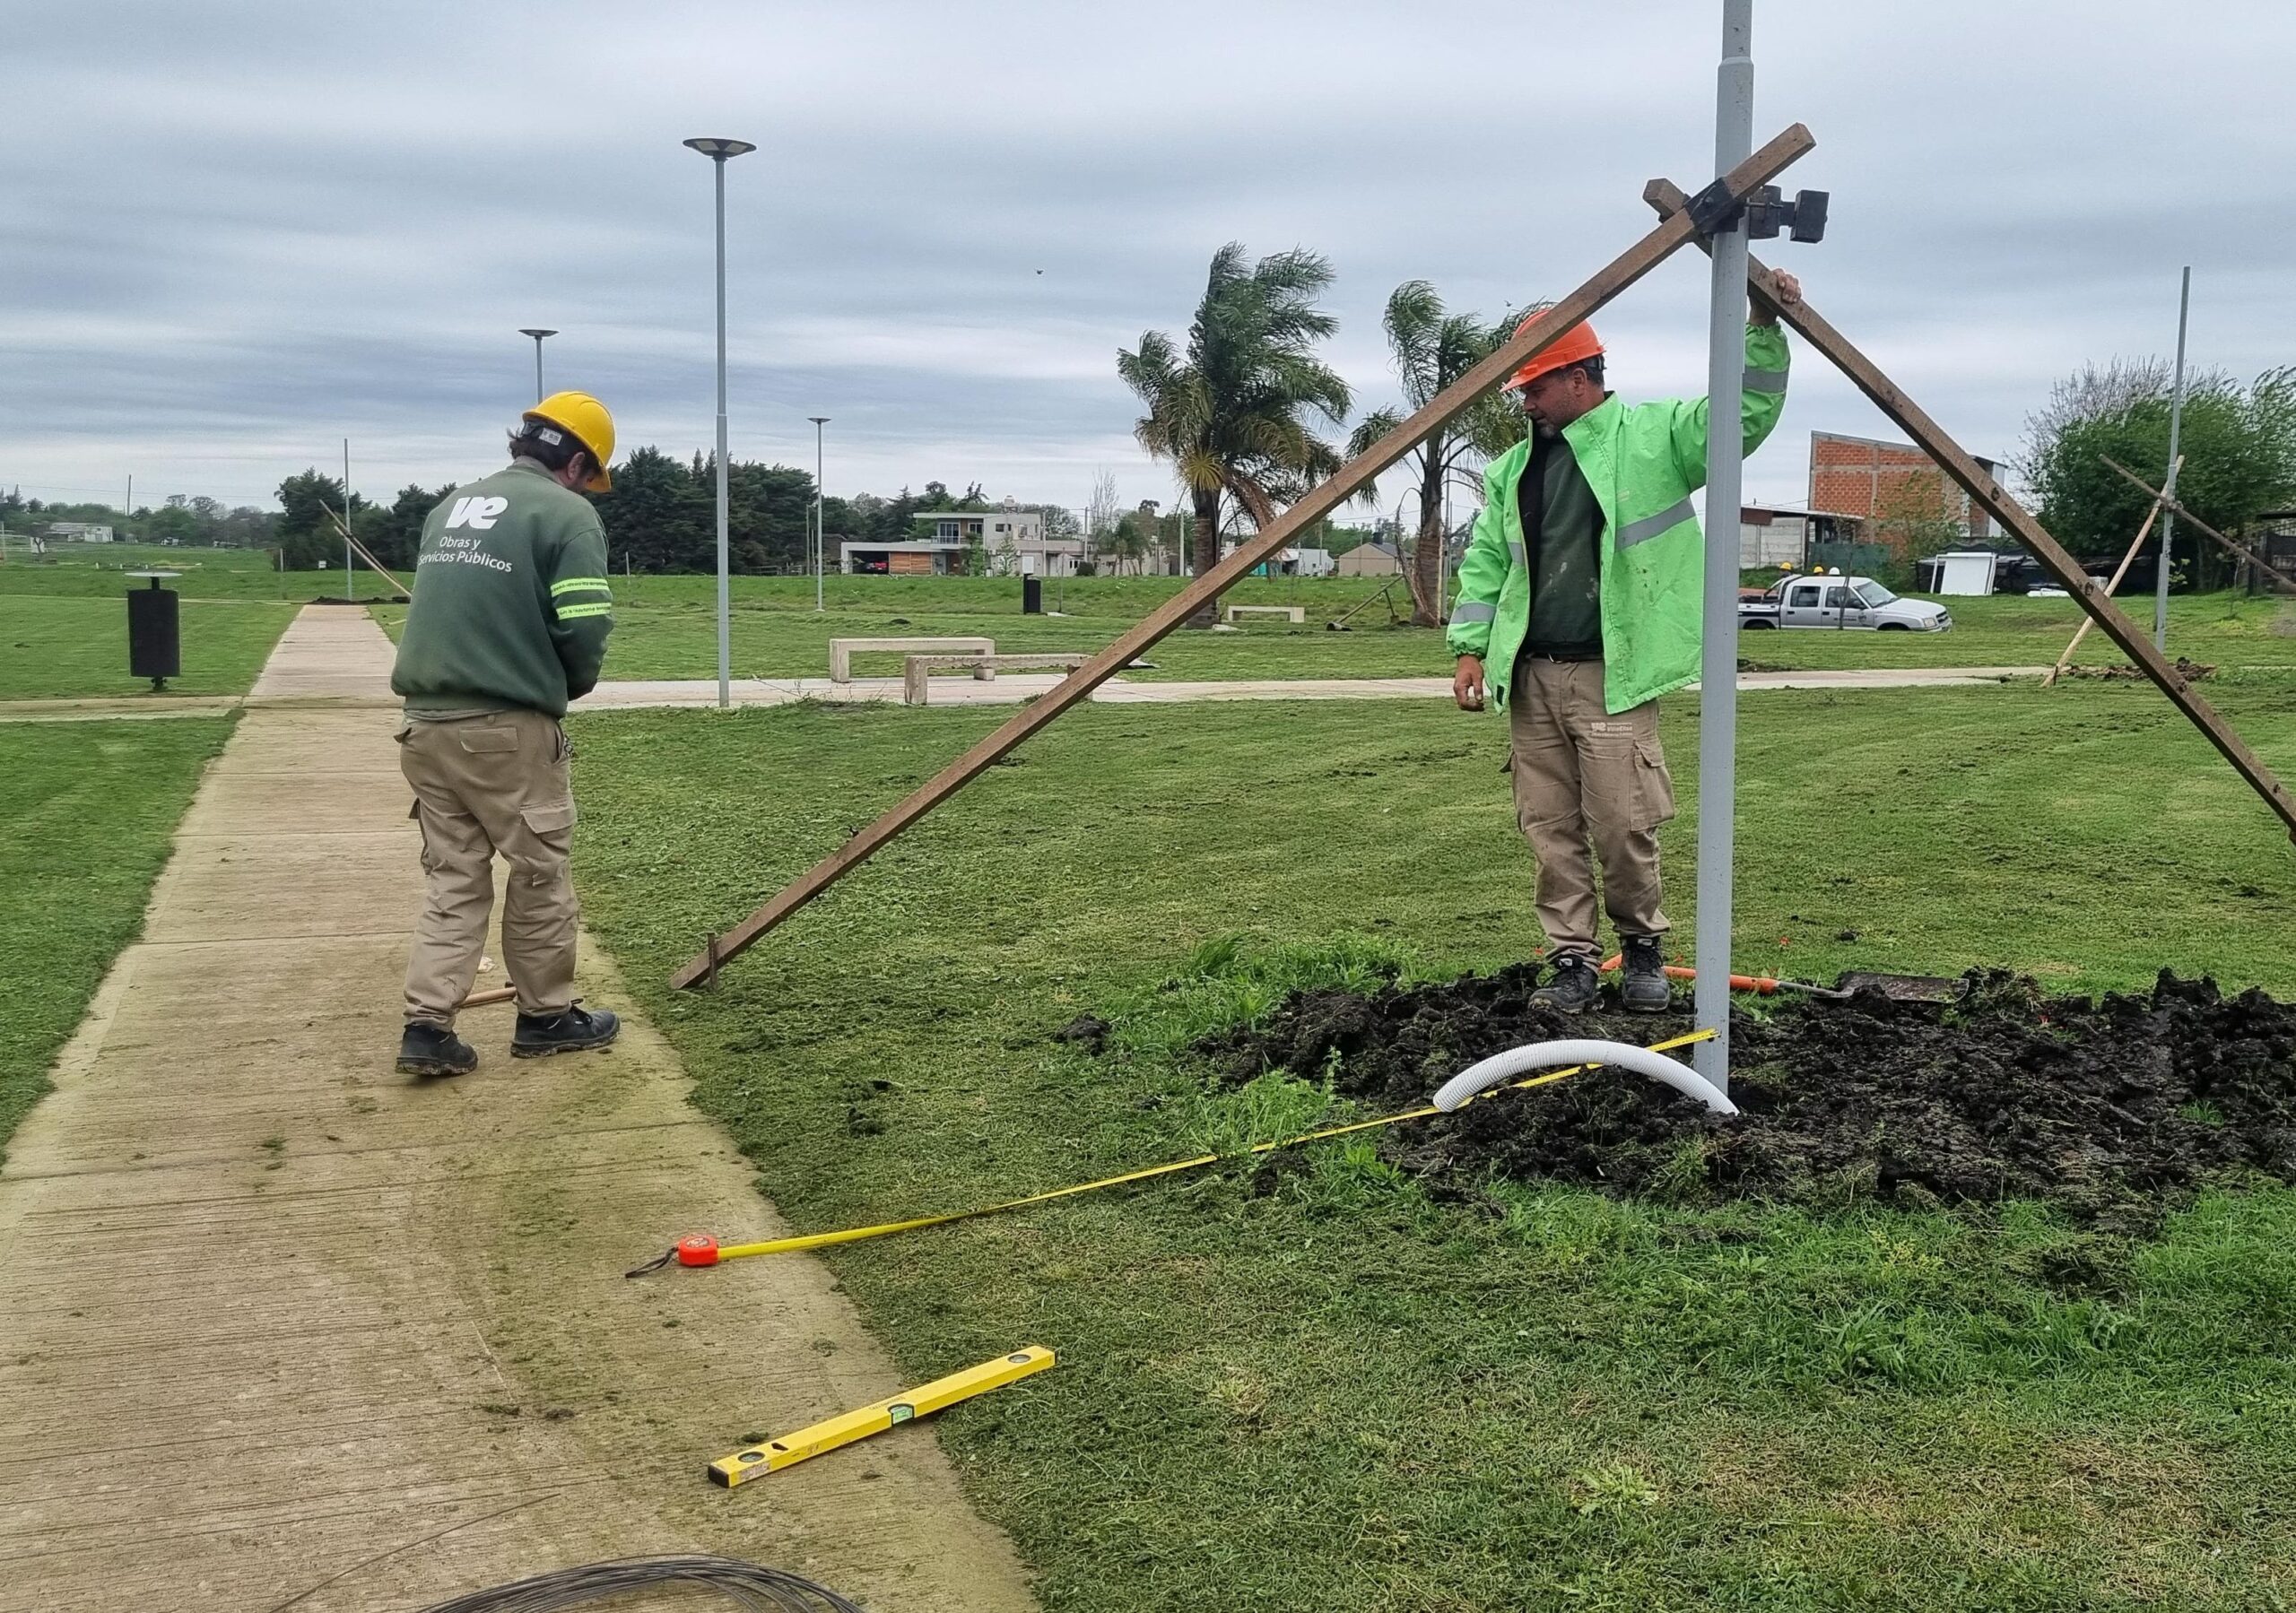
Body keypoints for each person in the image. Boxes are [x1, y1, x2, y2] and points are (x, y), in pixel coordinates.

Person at [1448, 277, 1802, 1014]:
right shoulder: (1513, 470)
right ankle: (1573, 961)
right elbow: (1488, 563)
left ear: (1579, 379)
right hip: (1533, 677)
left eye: (1536, 387)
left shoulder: (1653, 437)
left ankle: (1641, 947)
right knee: (1549, 830)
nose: (1526, 402)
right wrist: (1471, 647)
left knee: (1623, 824)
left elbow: (1745, 416)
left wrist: (1763, 325)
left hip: (1615, 673)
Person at [391, 391, 622, 1076]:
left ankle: (428, 1028)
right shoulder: (566, 513)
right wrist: (567, 687)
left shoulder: (450, 507)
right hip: (506, 728)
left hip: (425, 727)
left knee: (454, 881)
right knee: (539, 873)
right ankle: (547, 1016)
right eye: (592, 474)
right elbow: (584, 623)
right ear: (577, 462)